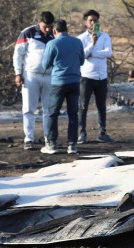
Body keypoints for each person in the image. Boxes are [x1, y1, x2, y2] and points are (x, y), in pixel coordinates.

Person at [40, 19, 85, 155]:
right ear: (67, 29)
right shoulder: (77, 42)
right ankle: (72, 145)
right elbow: (82, 61)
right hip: (75, 81)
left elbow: (45, 65)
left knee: (52, 113)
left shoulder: (52, 43)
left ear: (54, 31)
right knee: (73, 114)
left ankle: (52, 144)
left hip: (59, 82)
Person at [13, 11, 55, 150]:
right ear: (39, 22)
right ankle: (28, 139)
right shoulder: (28, 32)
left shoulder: (55, 33)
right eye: (45, 26)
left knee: (48, 109)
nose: (48, 29)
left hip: (50, 76)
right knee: (28, 109)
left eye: (50, 26)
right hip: (31, 75)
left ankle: (48, 138)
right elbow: (18, 54)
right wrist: (18, 73)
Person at [77, 9, 114, 144]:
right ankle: (82, 133)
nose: (93, 23)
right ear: (85, 22)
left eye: (95, 20)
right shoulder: (81, 38)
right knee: (83, 106)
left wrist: (94, 52)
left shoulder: (105, 36)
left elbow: (108, 53)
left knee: (101, 106)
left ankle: (102, 133)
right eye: (90, 20)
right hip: (86, 76)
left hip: (101, 76)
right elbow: (83, 55)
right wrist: (92, 44)